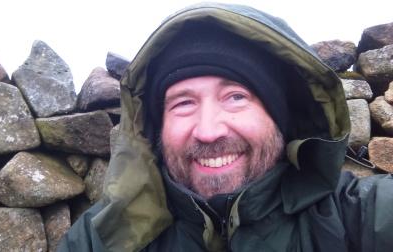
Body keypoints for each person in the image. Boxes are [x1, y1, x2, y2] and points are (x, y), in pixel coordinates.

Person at [58, 3, 393, 251]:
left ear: (280, 116)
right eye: (184, 103)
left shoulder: (358, 215)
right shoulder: (100, 239)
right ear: (156, 127)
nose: (208, 131)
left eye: (235, 97)